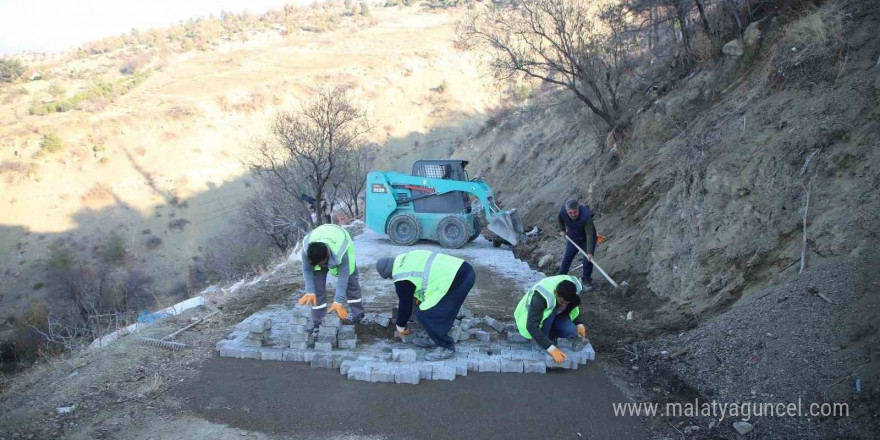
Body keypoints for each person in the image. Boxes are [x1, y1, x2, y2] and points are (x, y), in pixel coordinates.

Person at [375, 250, 476, 361]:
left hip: (457, 279)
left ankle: (446, 347)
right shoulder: (404, 258)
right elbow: (421, 278)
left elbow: (405, 304)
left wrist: (400, 325)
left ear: (389, 274)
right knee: (428, 308)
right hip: (462, 269)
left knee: (427, 313)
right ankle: (434, 338)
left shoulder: (401, 277)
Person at [298, 224, 365, 327]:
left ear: (328, 255)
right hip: (322, 242)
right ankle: (318, 321)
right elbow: (307, 270)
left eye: (322, 263)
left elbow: (343, 276)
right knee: (317, 290)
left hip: (338, 240)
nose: (321, 266)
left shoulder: (341, 250)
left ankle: (358, 314)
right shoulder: (307, 251)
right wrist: (310, 290)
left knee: (351, 283)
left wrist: (338, 300)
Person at [513, 275, 588, 364]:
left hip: (554, 313)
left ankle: (551, 333)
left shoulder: (573, 287)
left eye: (566, 303)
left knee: (570, 331)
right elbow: (531, 325)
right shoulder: (540, 297)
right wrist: (550, 348)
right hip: (530, 317)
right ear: (555, 292)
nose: (564, 305)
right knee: (550, 315)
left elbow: (573, 307)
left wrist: (579, 323)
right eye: (562, 302)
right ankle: (545, 338)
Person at [557, 199, 598, 290]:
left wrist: (590, 252)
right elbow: (559, 217)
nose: (573, 215)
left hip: (586, 240)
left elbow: (590, 235)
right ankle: (560, 278)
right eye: (570, 213)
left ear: (578, 209)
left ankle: (586, 280)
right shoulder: (563, 211)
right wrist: (562, 230)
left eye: (575, 212)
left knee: (587, 260)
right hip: (573, 238)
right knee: (567, 258)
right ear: (567, 211)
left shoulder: (586, 217)